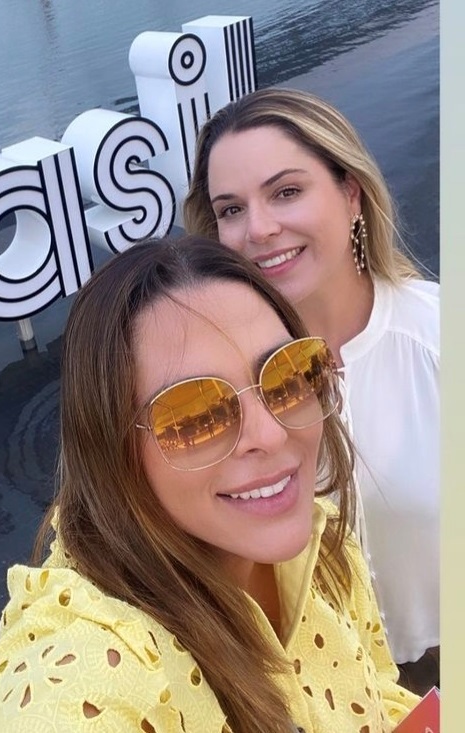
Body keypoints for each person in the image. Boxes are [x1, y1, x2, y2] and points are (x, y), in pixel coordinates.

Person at [0, 236, 420, 733]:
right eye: (194, 416)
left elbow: (379, 693)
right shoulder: (87, 676)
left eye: (289, 376)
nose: (271, 434)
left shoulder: (327, 541)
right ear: (113, 451)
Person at [183, 88, 439, 693]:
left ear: (351, 194)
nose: (259, 229)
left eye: (286, 192)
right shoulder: (207, 387)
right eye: (231, 209)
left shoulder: (438, 337)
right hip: (310, 684)